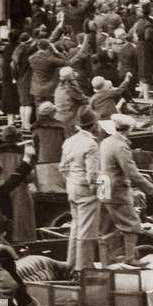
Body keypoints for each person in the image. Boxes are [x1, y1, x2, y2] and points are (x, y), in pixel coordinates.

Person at [97, 113, 153, 265]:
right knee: (132, 224)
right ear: (129, 129)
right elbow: (132, 173)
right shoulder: (121, 146)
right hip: (117, 190)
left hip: (103, 188)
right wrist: (151, 190)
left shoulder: (106, 142)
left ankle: (107, 259)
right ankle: (130, 258)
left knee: (106, 227)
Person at [59, 108, 103, 270]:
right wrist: (100, 187)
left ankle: (71, 263)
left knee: (76, 228)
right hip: (86, 192)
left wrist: (73, 180)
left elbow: (63, 168)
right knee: (87, 231)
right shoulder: (91, 144)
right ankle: (84, 268)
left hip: (72, 188)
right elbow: (92, 176)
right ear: (93, 125)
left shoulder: (69, 141)